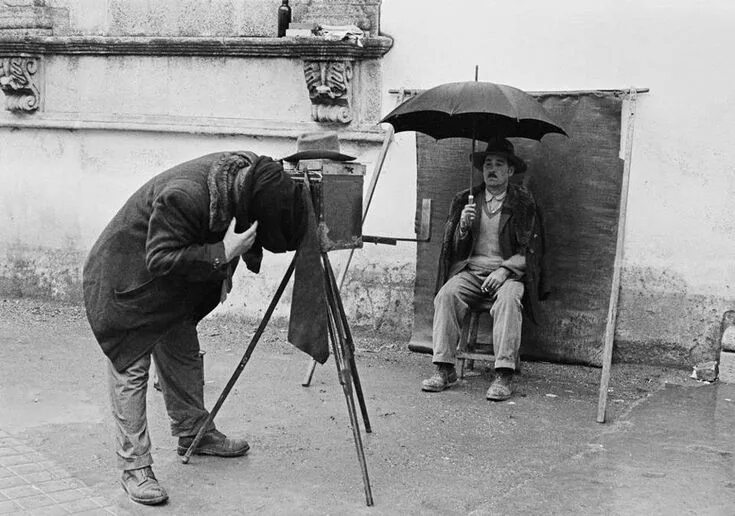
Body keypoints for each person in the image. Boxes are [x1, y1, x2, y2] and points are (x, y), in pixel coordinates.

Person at [83, 149, 306, 505]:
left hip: (168, 286)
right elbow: (159, 258)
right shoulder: (183, 197)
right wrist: (223, 251)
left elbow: (253, 219)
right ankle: (135, 467)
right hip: (124, 281)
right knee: (132, 368)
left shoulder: (249, 175)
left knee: (182, 353)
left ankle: (194, 433)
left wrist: (234, 251)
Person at [422, 137, 543, 401]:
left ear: (510, 171)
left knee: (510, 300)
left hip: (508, 275)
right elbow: (452, 252)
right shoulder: (465, 200)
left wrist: (504, 271)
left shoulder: (523, 203)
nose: (492, 169)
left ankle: (503, 374)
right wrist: (462, 227)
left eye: (500, 164)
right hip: (472, 272)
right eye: (488, 163)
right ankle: (444, 368)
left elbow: (532, 253)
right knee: (447, 295)